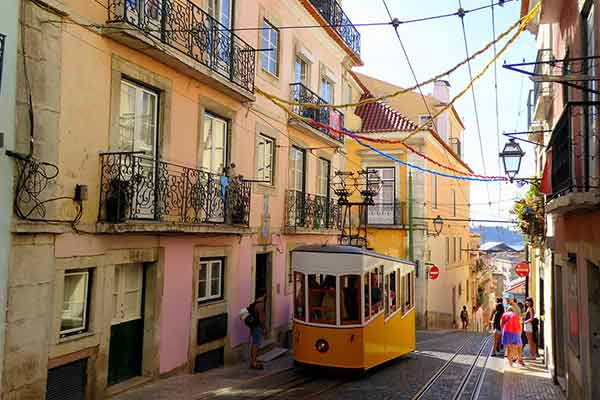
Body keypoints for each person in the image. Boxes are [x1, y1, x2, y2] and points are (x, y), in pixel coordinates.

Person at [504, 294, 524, 365]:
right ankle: (519, 358)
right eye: (506, 299)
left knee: (511, 345)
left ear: (512, 299)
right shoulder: (517, 307)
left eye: (508, 299)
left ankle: (511, 361)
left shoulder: (510, 308)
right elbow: (520, 317)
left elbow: (507, 318)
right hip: (518, 327)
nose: (507, 301)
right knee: (518, 343)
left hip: (512, 328)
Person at [249, 295, 266, 370]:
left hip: (254, 326)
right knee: (256, 344)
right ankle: (253, 362)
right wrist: (264, 328)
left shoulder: (254, 303)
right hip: (257, 327)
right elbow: (261, 319)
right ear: (264, 294)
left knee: (255, 343)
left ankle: (253, 360)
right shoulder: (260, 305)